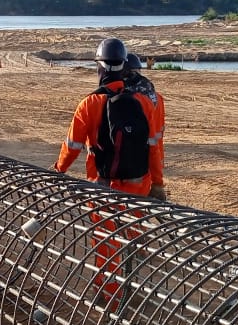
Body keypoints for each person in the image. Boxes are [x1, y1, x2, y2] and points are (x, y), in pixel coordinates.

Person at [53, 38, 164, 307]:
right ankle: (133, 288)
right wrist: (158, 184)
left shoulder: (89, 104)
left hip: (102, 187)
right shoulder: (145, 102)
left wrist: (59, 171)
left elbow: (72, 146)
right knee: (134, 235)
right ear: (126, 65)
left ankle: (112, 298)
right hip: (139, 184)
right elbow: (155, 147)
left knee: (106, 241)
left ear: (99, 66)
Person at [124, 51, 167, 201]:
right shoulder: (158, 99)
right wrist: (158, 181)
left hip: (126, 171)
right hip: (150, 168)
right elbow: (155, 142)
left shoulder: (125, 100)